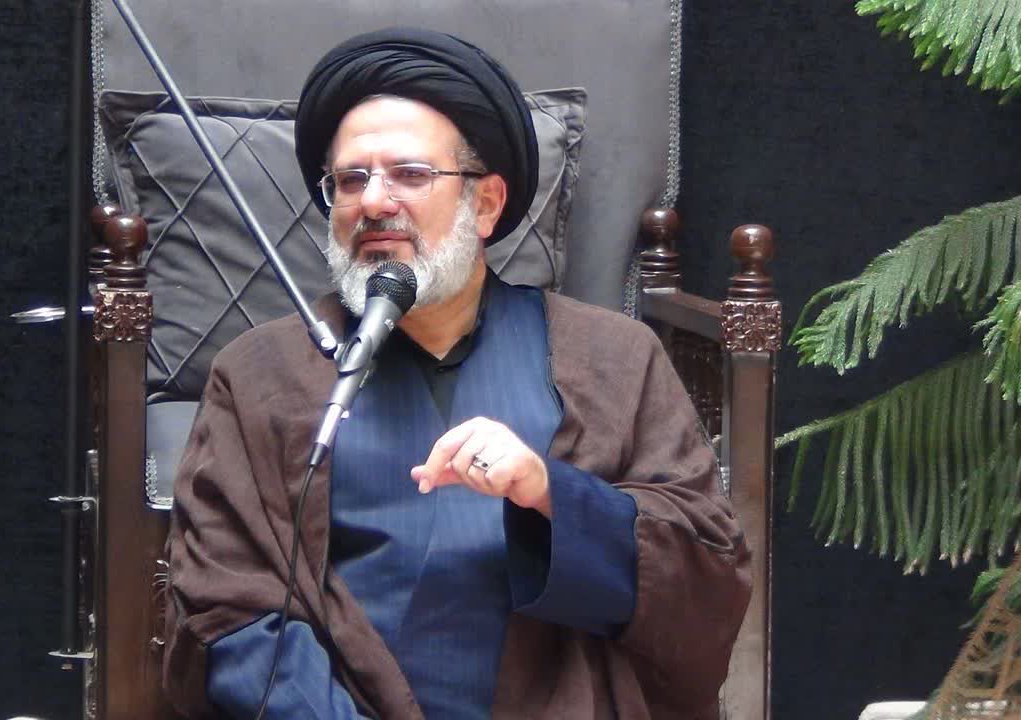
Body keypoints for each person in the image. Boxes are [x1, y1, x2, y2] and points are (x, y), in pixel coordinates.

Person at [162, 27, 751, 720]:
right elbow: (227, 608)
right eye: (350, 180)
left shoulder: (614, 358)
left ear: (488, 203)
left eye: (410, 175)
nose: (374, 202)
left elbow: (706, 574)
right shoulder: (259, 374)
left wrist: (551, 495)